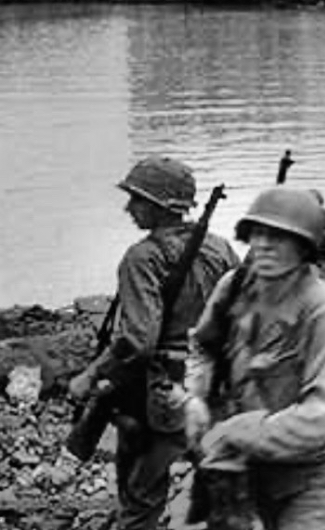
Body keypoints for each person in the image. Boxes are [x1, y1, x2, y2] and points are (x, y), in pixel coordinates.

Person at [67, 156, 239, 530]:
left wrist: (90, 376)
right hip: (216, 387)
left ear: (160, 206)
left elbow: (137, 341)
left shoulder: (142, 258)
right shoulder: (222, 249)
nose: (129, 208)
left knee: (141, 498)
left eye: (138, 200)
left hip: (163, 394)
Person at [184, 186, 325, 530]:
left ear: (303, 247)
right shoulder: (234, 286)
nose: (263, 245)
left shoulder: (321, 306)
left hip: (315, 477)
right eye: (257, 234)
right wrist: (196, 397)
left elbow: (323, 419)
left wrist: (238, 430)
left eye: (277, 237)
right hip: (250, 468)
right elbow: (203, 347)